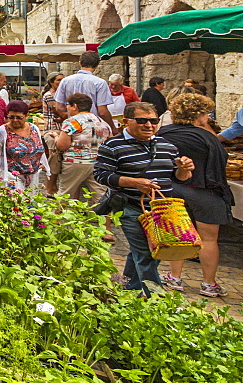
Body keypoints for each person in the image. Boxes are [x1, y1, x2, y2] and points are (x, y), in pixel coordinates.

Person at [93, 102, 195, 295]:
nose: (149, 125)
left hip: (162, 211)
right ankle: (155, 299)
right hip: (130, 207)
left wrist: (183, 169)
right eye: (142, 120)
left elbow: (178, 178)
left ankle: (130, 287)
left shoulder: (167, 146)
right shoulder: (113, 145)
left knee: (153, 253)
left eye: (153, 121)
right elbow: (101, 175)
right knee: (146, 254)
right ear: (126, 122)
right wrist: (134, 182)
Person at [157, 93, 233, 297]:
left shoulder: (163, 132)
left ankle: (175, 278)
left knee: (178, 234)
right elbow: (221, 163)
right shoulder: (208, 137)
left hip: (174, 188)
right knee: (209, 240)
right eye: (206, 114)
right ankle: (209, 284)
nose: (208, 117)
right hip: (205, 191)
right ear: (198, 115)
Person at [55, 93, 112, 237]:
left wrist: (55, 137)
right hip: (98, 163)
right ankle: (107, 232)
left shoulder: (73, 122)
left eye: (68, 105)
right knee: (100, 196)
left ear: (75, 106)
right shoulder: (101, 122)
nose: (67, 108)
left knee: (65, 193)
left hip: (76, 162)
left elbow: (63, 145)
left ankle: (54, 224)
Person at [0, 100, 50, 192]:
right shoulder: (1, 132)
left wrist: (42, 163)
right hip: (11, 177)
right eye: (11, 117)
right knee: (17, 203)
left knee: (30, 203)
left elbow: (39, 148)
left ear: (26, 116)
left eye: (19, 117)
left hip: (33, 175)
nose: (15, 120)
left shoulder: (34, 129)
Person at [53, 51, 116, 134]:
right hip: (93, 127)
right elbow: (102, 112)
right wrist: (112, 127)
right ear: (96, 65)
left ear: (80, 63)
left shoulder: (65, 81)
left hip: (73, 125)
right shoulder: (100, 83)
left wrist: (72, 111)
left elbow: (59, 107)